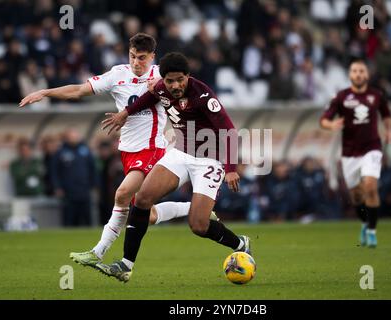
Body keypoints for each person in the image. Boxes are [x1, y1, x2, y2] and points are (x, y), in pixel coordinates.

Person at [19, 33, 215, 268]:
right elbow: (79, 90)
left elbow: (189, 99)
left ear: (153, 57)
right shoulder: (117, 74)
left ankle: (98, 251)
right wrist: (45, 92)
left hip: (153, 148)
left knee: (121, 194)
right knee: (147, 214)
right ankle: (195, 209)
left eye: (142, 58)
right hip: (128, 150)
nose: (136, 62)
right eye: (132, 56)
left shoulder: (163, 78)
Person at [98, 52, 251, 282]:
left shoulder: (203, 96)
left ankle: (240, 243)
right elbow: (149, 98)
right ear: (164, 80)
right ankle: (125, 265)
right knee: (142, 199)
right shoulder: (160, 87)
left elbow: (228, 131)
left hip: (210, 159)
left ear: (188, 76)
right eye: (170, 81)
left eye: (180, 79)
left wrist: (230, 168)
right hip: (180, 152)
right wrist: (125, 114)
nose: (175, 85)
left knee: (199, 225)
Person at [320, 59, 391, 248]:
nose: (358, 74)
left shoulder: (377, 95)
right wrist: (331, 125)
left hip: (372, 147)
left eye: (361, 71)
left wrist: (389, 130)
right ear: (350, 75)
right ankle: (363, 223)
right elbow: (324, 119)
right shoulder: (341, 97)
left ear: (367, 75)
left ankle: (372, 231)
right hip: (350, 152)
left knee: (370, 186)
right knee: (356, 195)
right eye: (355, 71)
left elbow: (386, 114)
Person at [52, 128, 97, 227]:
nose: (74, 138)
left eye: (76, 136)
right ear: (67, 138)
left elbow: (92, 169)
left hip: (84, 190)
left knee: (87, 219)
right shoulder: (60, 152)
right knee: (69, 219)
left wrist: (94, 185)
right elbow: (55, 172)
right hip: (68, 192)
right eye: (71, 136)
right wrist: (57, 187)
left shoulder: (85, 150)